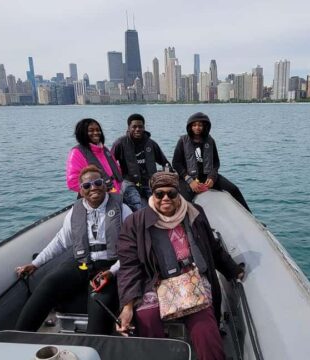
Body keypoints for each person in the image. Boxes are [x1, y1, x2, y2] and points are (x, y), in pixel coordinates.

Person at [116, 172, 245, 360]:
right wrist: (127, 306)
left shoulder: (195, 213)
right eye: (159, 194)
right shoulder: (135, 223)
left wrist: (234, 271)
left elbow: (213, 248)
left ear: (179, 194)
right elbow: (129, 266)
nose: (165, 198)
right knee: (146, 317)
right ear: (153, 195)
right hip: (156, 282)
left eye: (171, 193)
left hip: (192, 278)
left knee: (205, 330)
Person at [15, 165, 132, 334]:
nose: (93, 188)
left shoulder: (122, 209)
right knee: (48, 284)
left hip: (109, 266)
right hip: (82, 264)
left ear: (105, 184)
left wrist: (113, 271)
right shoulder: (74, 212)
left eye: (97, 182)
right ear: (81, 190)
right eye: (86, 185)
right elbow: (61, 241)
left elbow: (132, 248)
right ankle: (20, 336)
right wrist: (36, 263)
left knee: (98, 307)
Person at [172, 112, 251, 212]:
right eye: (194, 125)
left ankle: (250, 215)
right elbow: (176, 163)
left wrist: (212, 177)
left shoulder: (210, 140)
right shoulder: (183, 141)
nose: (197, 127)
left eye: (200, 125)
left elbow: (216, 163)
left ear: (205, 126)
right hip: (188, 178)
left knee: (234, 189)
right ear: (190, 127)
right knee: (184, 201)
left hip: (207, 177)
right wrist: (189, 181)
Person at [111, 113, 170, 210]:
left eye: (140, 126)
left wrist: (167, 179)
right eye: (134, 127)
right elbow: (109, 163)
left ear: (144, 127)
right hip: (129, 182)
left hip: (150, 182)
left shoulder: (151, 144)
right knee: (137, 205)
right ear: (129, 128)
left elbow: (165, 163)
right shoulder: (120, 143)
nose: (137, 129)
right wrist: (114, 181)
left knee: (160, 204)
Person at [66, 118, 123, 194]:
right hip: (98, 197)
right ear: (82, 133)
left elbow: (117, 169)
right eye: (91, 130)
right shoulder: (76, 153)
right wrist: (98, 192)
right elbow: (73, 182)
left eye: (98, 130)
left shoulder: (104, 149)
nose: (96, 133)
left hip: (117, 192)